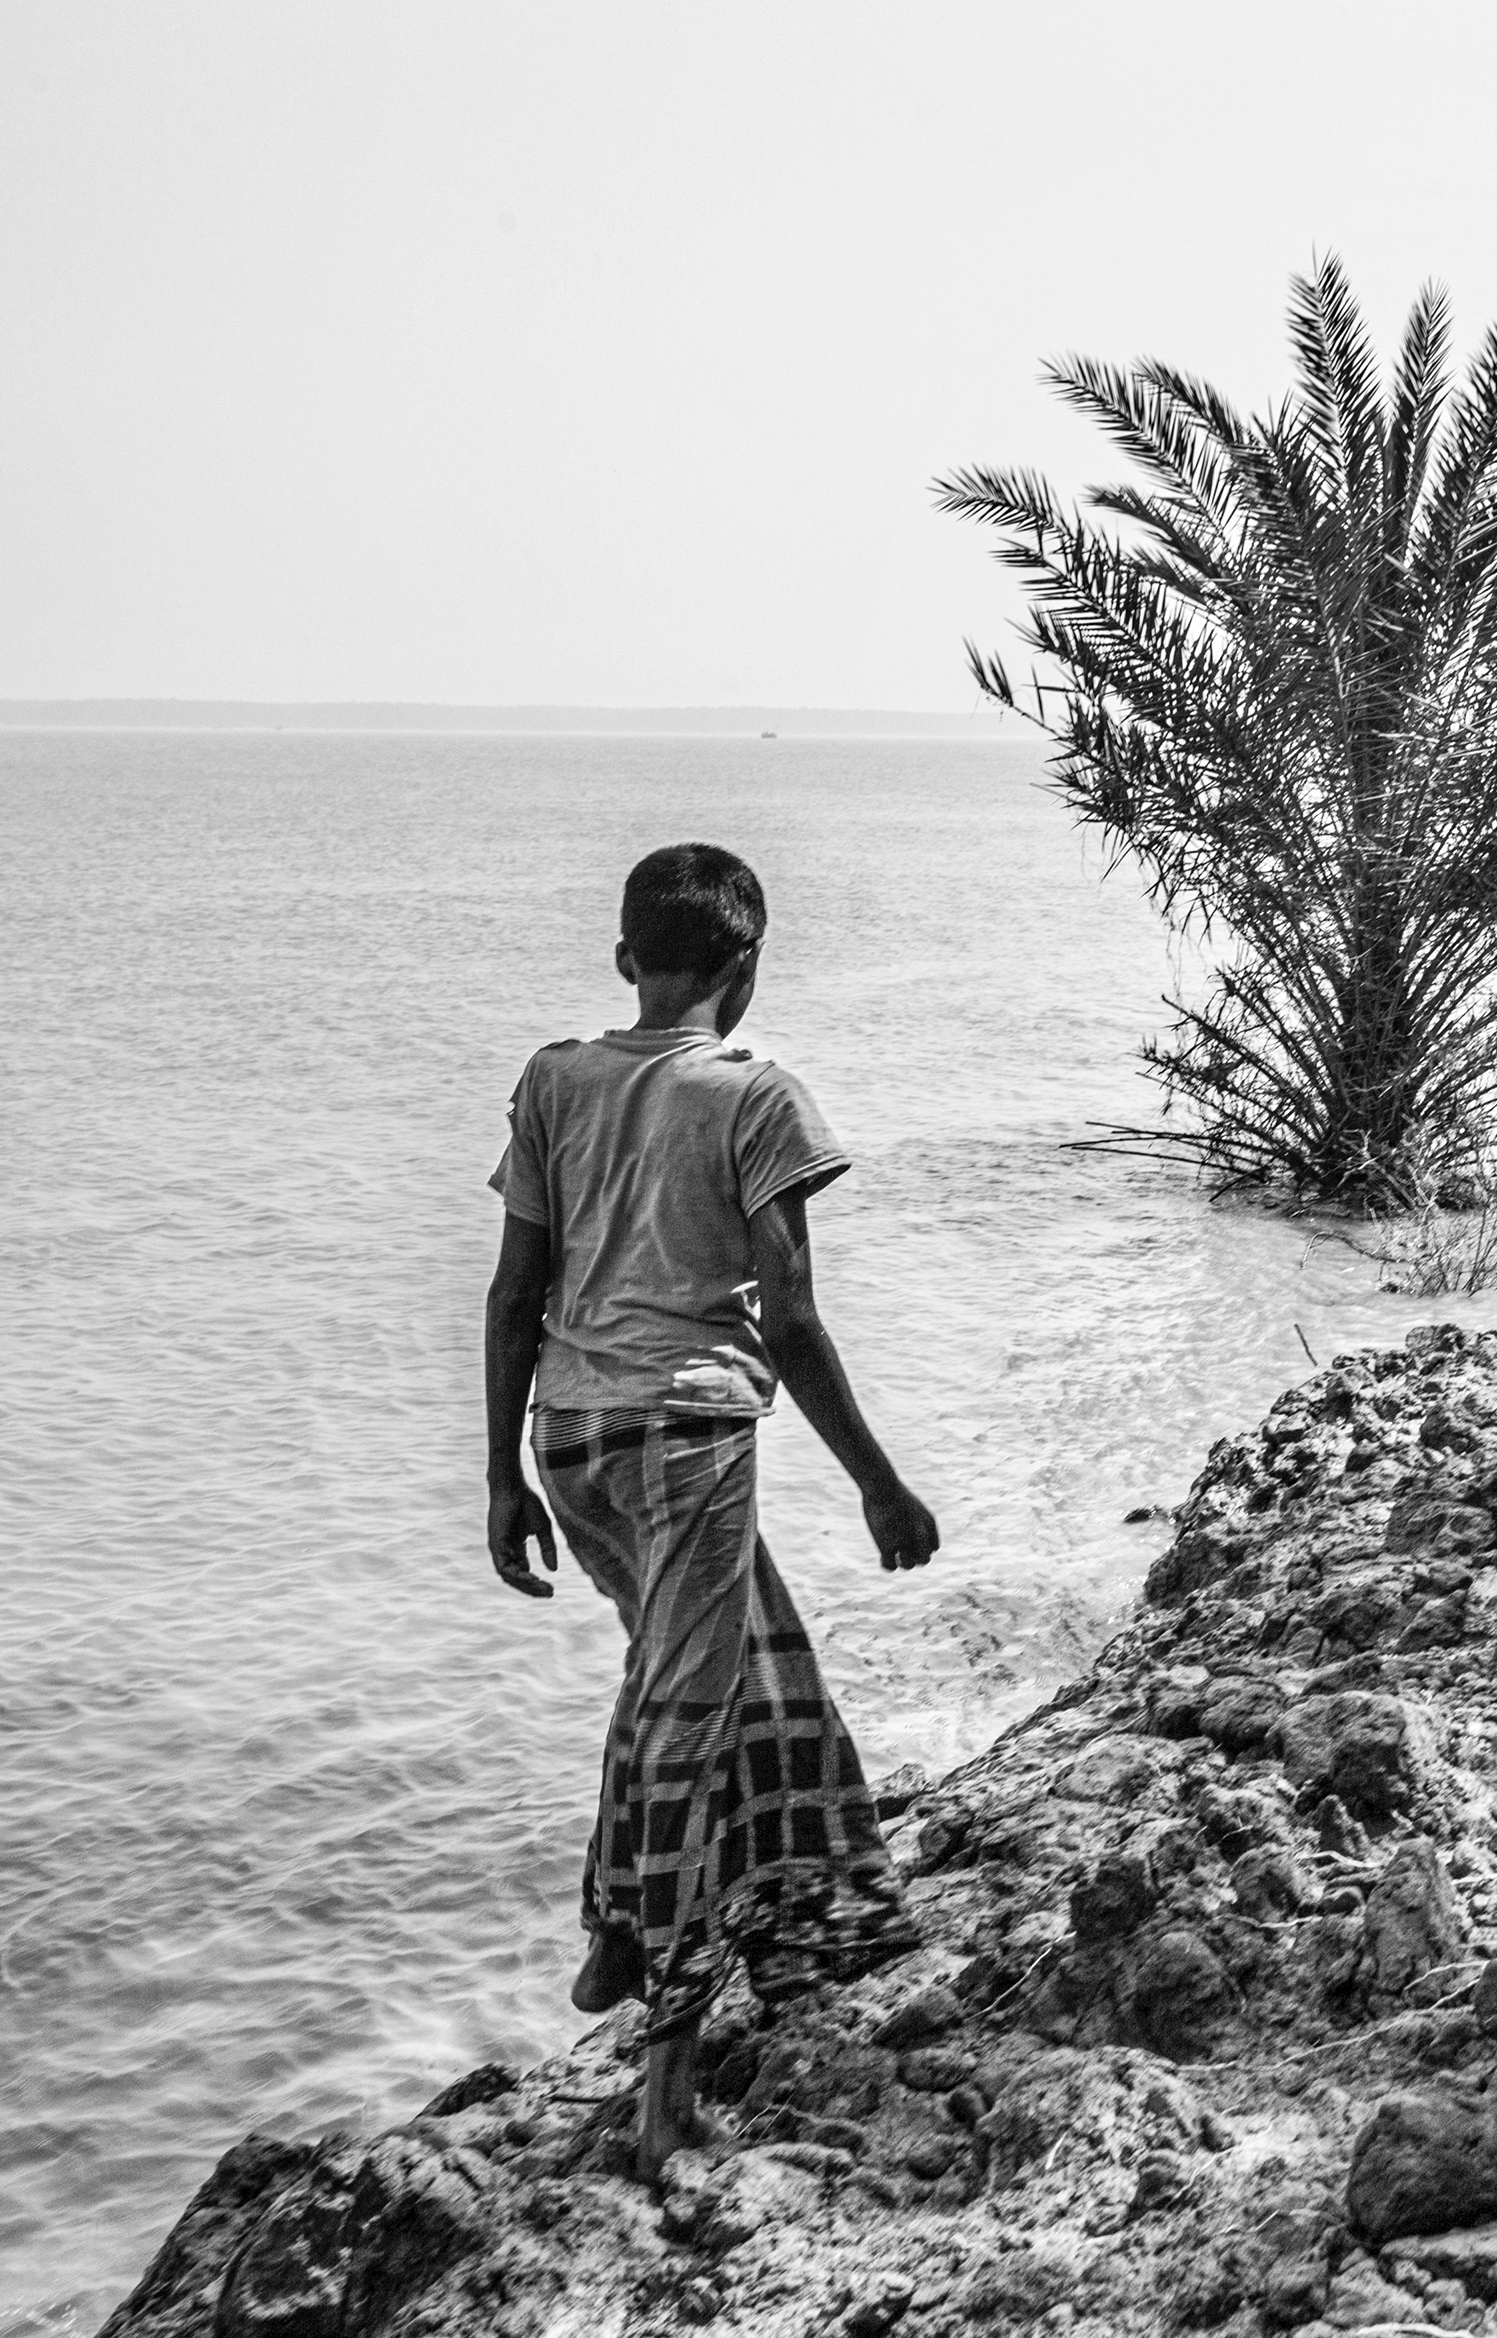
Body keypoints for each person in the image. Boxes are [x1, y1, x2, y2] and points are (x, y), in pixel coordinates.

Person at [480, 841, 937, 2172]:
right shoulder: (759, 1098)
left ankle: (653, 1925)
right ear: (748, 968)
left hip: (572, 1436)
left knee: (730, 1669)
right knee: (686, 1725)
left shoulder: (554, 1079)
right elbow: (789, 1319)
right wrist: (878, 1482)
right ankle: (666, 2082)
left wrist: (499, 1476)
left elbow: (515, 1294)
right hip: (689, 1436)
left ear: (627, 960)